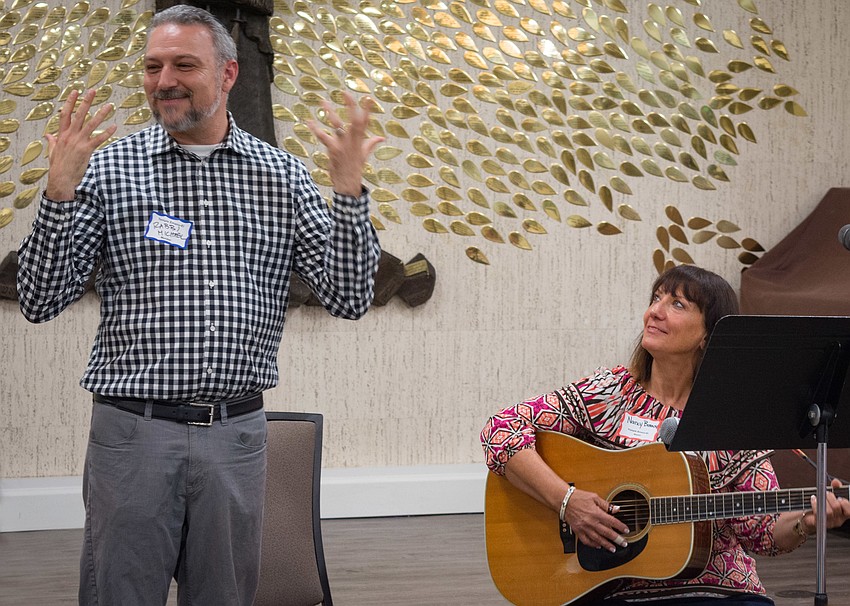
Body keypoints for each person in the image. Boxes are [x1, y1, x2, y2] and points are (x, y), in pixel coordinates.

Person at [17, 5, 381, 605]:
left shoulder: (282, 178)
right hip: (132, 434)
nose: (165, 81)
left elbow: (348, 297)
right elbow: (38, 299)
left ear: (229, 74)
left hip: (236, 436)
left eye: (185, 64)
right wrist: (58, 193)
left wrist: (347, 196)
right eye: (154, 66)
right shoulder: (107, 170)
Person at [481, 264, 850, 605]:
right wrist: (567, 501)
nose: (655, 311)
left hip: (715, 589)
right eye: (655, 298)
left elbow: (763, 532)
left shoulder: (730, 417)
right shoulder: (610, 392)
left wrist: (806, 522)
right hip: (609, 585)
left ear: (709, 333)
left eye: (676, 304)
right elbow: (502, 429)